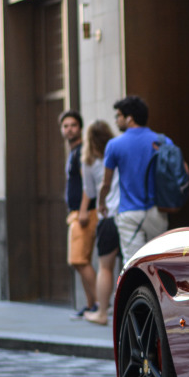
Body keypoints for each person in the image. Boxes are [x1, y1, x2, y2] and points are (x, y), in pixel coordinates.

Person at [98, 95, 167, 266]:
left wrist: (101, 203)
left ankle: (139, 293)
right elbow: (184, 170)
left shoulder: (114, 145)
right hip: (157, 210)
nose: (116, 120)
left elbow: (106, 183)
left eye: (118, 116)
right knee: (159, 261)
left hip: (129, 213)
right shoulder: (162, 140)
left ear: (129, 118)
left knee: (133, 264)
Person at [81, 120, 120, 326]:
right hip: (125, 214)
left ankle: (102, 312)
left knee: (105, 267)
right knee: (128, 265)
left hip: (107, 216)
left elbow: (90, 189)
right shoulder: (117, 152)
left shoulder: (88, 161)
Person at [60, 110, 97, 318]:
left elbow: (87, 183)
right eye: (66, 126)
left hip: (84, 213)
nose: (69, 129)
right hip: (76, 213)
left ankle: (99, 304)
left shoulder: (82, 151)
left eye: (73, 125)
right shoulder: (73, 151)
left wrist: (83, 210)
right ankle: (91, 304)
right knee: (80, 260)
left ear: (80, 128)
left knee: (79, 260)